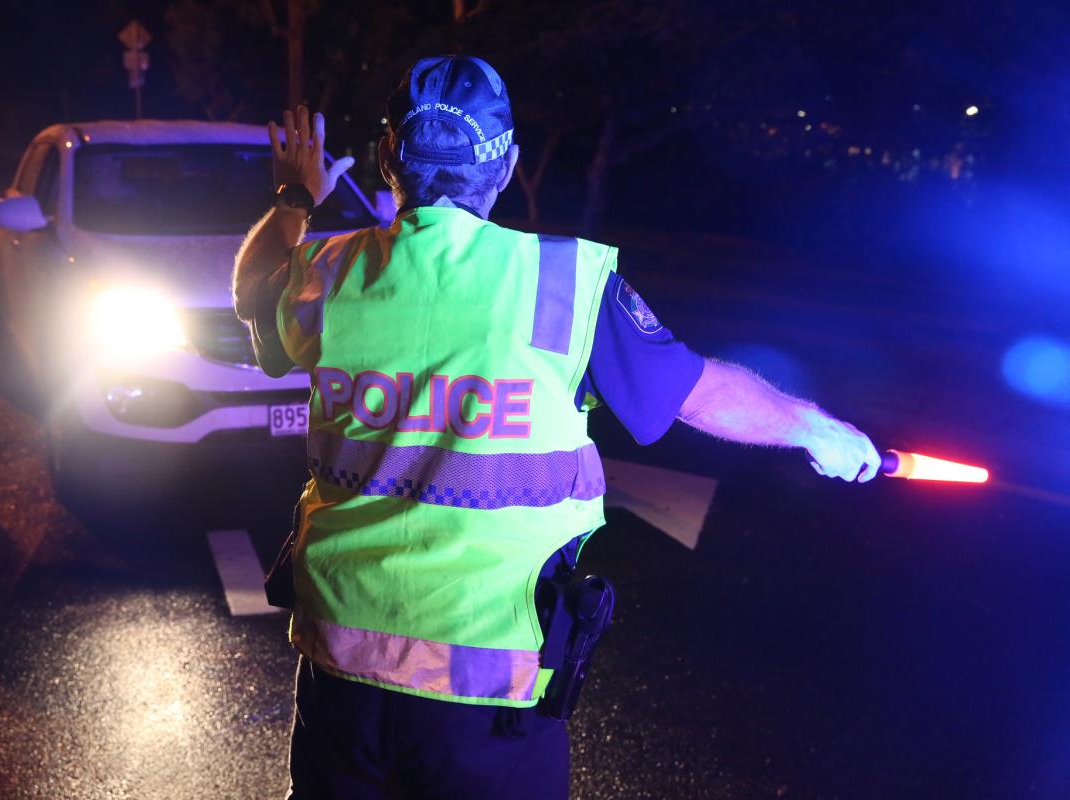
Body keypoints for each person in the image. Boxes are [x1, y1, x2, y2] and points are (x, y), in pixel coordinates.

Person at [232, 56, 881, 800]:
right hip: (484, 699)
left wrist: (293, 196)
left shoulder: (326, 272)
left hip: (339, 679)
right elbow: (696, 395)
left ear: (387, 159)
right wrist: (815, 429)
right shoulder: (560, 284)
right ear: (505, 166)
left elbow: (252, 295)